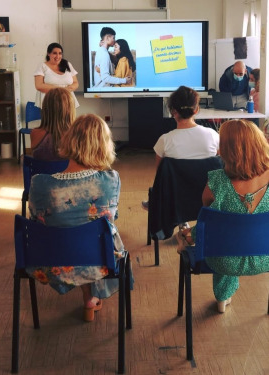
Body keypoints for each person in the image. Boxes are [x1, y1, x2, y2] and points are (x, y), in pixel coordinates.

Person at [27, 114, 127, 322]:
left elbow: (36, 219)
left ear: (69, 141)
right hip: (98, 262)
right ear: (104, 146)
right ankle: (90, 298)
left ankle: (88, 297)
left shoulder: (39, 183)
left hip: (48, 261)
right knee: (99, 235)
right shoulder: (110, 180)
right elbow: (111, 220)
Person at [177, 119, 269, 313]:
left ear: (226, 150)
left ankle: (222, 297)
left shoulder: (216, 182)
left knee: (222, 238)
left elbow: (208, 223)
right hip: (265, 256)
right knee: (238, 234)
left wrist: (187, 235)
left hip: (223, 260)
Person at [142, 86, 219, 211]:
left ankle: (181, 221)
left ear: (173, 111)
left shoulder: (164, 141)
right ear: (197, 109)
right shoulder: (213, 135)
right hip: (209, 200)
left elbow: (160, 177)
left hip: (174, 201)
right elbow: (221, 167)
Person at [31, 87, 74, 161]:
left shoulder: (35, 133)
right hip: (68, 172)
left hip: (42, 172)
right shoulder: (76, 135)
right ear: (70, 110)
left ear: (45, 108)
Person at [34, 42, 79, 109]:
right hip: (49, 102)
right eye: (54, 53)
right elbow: (39, 85)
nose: (57, 56)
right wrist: (60, 90)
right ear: (49, 54)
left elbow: (75, 83)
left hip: (67, 101)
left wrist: (66, 90)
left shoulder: (67, 64)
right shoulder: (42, 66)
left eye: (60, 53)